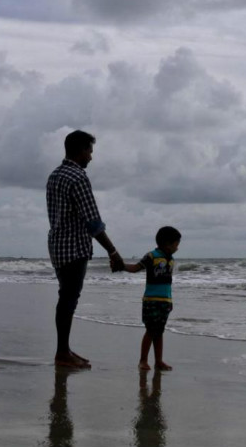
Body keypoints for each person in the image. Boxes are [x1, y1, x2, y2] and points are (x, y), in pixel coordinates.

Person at [46, 130, 125, 369]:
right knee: (69, 299)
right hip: (74, 247)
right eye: (89, 151)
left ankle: (64, 349)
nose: (91, 157)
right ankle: (62, 353)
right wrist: (113, 251)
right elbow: (93, 222)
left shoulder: (55, 175)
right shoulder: (78, 177)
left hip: (57, 245)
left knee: (65, 297)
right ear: (80, 150)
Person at [120, 226, 181, 371]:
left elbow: (168, 283)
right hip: (151, 301)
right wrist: (121, 265)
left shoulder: (170, 259)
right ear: (167, 243)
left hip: (165, 302)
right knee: (151, 330)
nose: (177, 248)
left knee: (159, 331)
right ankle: (143, 360)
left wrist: (170, 301)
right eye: (176, 244)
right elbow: (135, 268)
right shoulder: (151, 256)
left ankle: (158, 361)